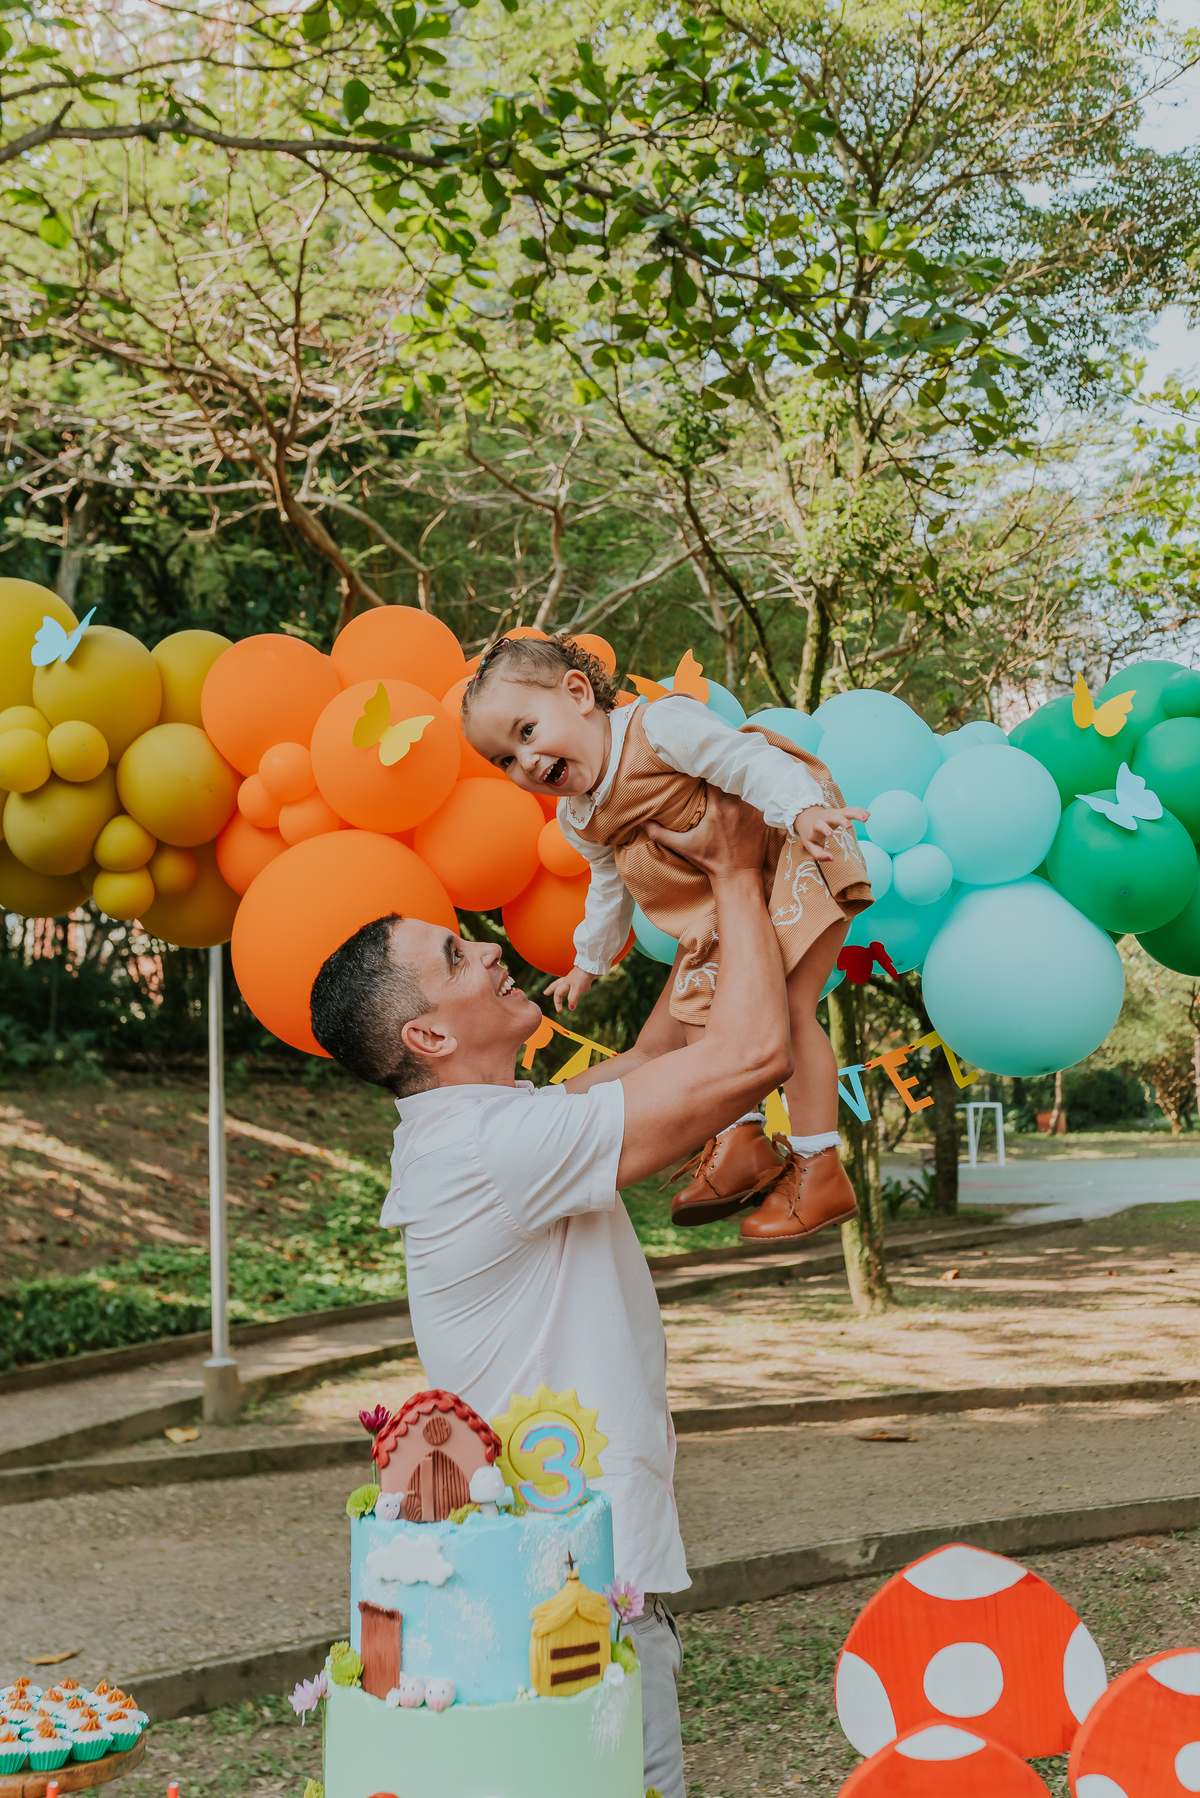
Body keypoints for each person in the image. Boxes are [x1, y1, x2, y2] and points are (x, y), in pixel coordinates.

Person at [309, 789, 794, 1798]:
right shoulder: (496, 1149)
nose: (489, 951)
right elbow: (753, 1057)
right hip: (576, 1585)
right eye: (454, 957)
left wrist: (709, 919)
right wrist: (744, 872)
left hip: (554, 1568)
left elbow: (652, 1061)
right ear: (430, 1039)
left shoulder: (486, 1126)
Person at [461, 633, 873, 1240]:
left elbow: (746, 762)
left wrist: (802, 811)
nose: (524, 762)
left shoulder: (657, 727)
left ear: (578, 694)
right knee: (709, 1021)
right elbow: (607, 888)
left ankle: (819, 1168)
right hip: (723, 913)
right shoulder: (579, 818)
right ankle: (745, 1143)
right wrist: (588, 961)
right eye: (504, 759)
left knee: (785, 1010)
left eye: (526, 733)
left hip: (785, 855)